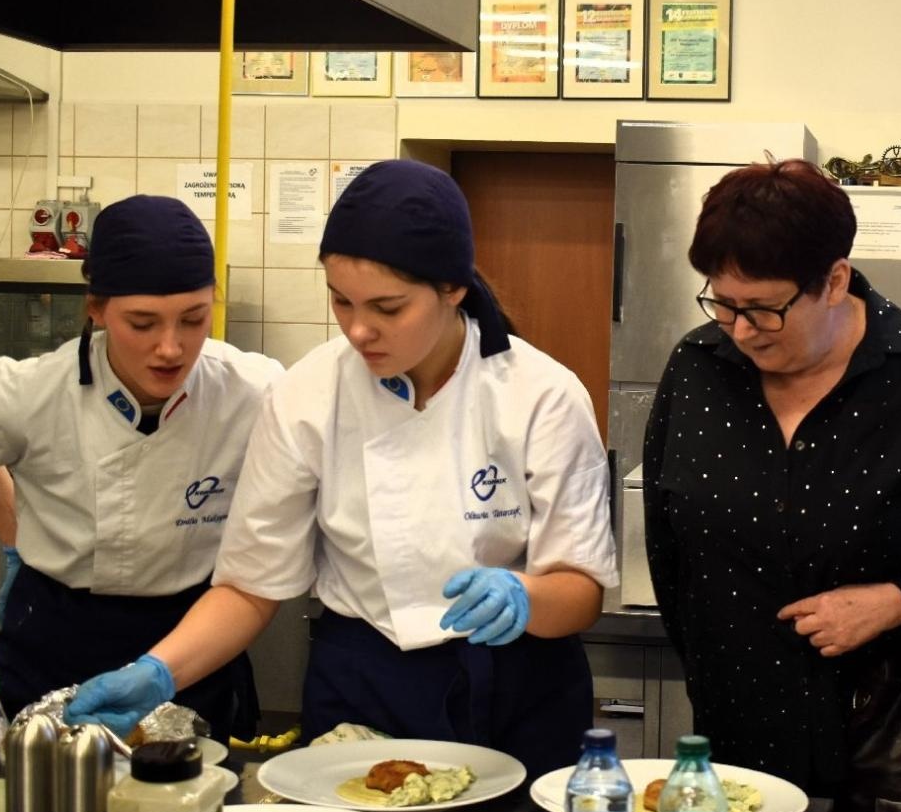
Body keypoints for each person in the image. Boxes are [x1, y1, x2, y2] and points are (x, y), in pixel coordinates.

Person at [65, 159, 618, 779]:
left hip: (517, 682)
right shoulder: (307, 394)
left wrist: (525, 596)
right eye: (341, 301)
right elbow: (251, 584)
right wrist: (159, 671)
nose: (358, 330)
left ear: (453, 288)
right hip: (363, 683)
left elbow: (581, 588)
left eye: (387, 308)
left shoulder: (539, 393)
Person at [643, 159, 901, 812]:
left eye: (763, 307)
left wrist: (898, 600)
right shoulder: (697, 367)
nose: (742, 329)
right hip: (731, 738)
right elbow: (668, 542)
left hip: (883, 752)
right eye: (723, 303)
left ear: (836, 279)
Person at [0, 196, 283, 738]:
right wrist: (13, 533)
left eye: (193, 319)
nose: (170, 347)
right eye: (142, 323)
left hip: (190, 637)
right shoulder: (34, 392)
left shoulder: (253, 393)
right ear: (96, 310)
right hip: (53, 631)